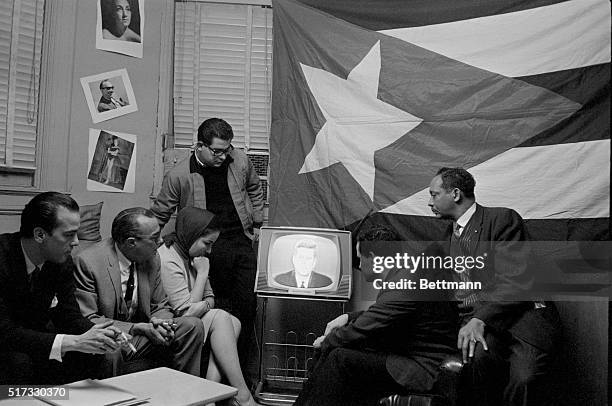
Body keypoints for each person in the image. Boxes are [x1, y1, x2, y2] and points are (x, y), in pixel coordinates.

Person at [428, 167, 561, 406]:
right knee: (477, 363)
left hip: (522, 321)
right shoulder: (445, 238)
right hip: (477, 326)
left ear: (455, 194)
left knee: (525, 379)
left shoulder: (502, 219)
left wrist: (481, 319)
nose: (430, 202)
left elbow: (517, 280)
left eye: (434, 194)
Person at [294, 225, 459, 406]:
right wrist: (348, 317)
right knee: (337, 352)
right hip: (410, 356)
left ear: (372, 258)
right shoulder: (405, 272)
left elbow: (364, 327)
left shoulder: (405, 282)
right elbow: (384, 313)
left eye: (359, 259)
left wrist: (325, 341)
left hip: (423, 368)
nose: (359, 265)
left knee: (338, 357)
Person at [151, 117, 264, 371]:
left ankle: (239, 375)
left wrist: (257, 222)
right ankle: (208, 378)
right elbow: (159, 214)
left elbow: (255, 189)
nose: (224, 156)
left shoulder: (240, 160)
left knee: (247, 309)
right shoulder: (179, 175)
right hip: (207, 249)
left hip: (241, 243)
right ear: (199, 146)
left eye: (228, 150)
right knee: (218, 311)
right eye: (217, 151)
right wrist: (152, 247)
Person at [0, 192, 128, 384]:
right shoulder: (2, 259)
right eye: (69, 234)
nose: (76, 242)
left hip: (36, 340)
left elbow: (69, 315)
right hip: (7, 343)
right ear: (40, 234)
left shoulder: (61, 261)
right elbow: (5, 331)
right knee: (18, 362)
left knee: (100, 354)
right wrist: (73, 342)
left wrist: (99, 334)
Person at [73, 207, 205, 377]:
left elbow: (160, 305)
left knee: (192, 326)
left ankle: (183, 393)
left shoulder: (152, 258)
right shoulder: (88, 262)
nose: (161, 242)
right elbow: (88, 317)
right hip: (113, 334)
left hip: (144, 334)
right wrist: (136, 328)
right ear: (131, 242)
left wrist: (161, 323)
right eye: (154, 238)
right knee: (109, 348)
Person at [159, 207, 261, 406]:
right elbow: (187, 313)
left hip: (192, 319)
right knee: (222, 317)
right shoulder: (168, 259)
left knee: (234, 322)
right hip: (173, 324)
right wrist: (203, 274)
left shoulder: (194, 257)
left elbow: (210, 298)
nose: (210, 250)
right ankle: (242, 394)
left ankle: (208, 395)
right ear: (192, 234)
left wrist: (203, 301)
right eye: (207, 243)